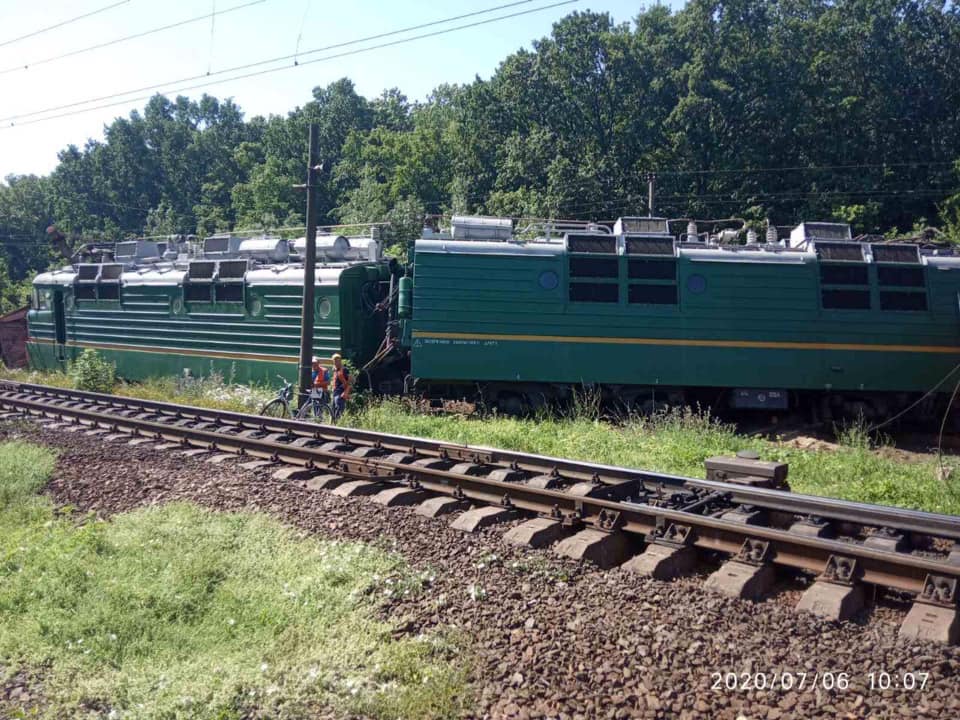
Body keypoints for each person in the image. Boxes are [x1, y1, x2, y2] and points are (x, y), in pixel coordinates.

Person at [331, 353, 351, 419]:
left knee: (339, 409)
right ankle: (332, 425)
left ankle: (336, 425)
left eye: (338, 361)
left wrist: (345, 390)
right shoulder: (335, 370)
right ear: (333, 361)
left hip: (340, 393)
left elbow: (351, 380)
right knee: (333, 411)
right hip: (334, 392)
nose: (337, 362)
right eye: (335, 361)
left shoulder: (344, 370)